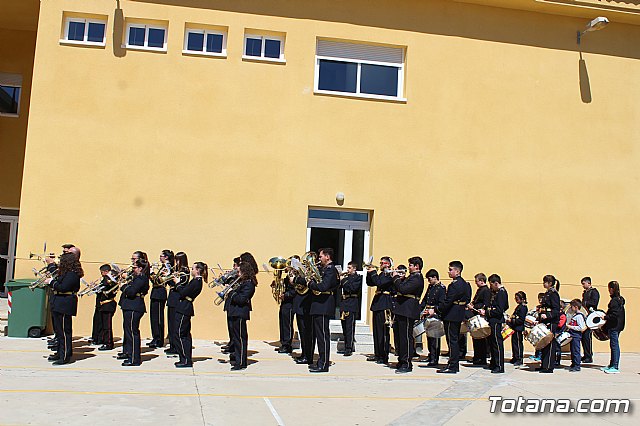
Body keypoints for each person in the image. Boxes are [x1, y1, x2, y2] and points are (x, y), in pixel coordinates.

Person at [429, 260, 472, 374]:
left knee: (452, 341)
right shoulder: (465, 284)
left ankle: (453, 365)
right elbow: (467, 299)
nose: (449, 272)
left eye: (451, 269)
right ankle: (453, 363)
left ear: (457, 271)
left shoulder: (454, 285)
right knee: (455, 340)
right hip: (458, 314)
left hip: (451, 315)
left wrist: (436, 310)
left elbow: (448, 301)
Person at [46, 252, 82, 365]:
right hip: (59, 302)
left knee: (64, 331)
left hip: (65, 303)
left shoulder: (72, 274)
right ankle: (60, 352)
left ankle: (65, 355)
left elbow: (63, 287)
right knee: (59, 331)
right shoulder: (66, 273)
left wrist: (52, 282)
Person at [308, 248, 339, 373]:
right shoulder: (325, 269)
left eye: (320, 256)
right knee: (320, 335)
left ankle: (324, 364)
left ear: (327, 256)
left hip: (324, 305)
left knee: (323, 336)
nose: (319, 258)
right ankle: (321, 361)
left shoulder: (331, 270)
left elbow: (323, 286)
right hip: (319, 305)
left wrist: (310, 284)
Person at [391, 257, 424, 373]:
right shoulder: (411, 277)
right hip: (402, 309)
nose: (408, 267)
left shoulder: (417, 278)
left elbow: (403, 289)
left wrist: (396, 277)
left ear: (417, 266)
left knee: (406, 337)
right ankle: (401, 360)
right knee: (400, 337)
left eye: (410, 265)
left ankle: (407, 363)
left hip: (408, 309)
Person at [119, 258, 150, 366]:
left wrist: (122, 286)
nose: (133, 269)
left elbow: (132, 292)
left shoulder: (141, 279)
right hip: (130, 306)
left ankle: (134, 358)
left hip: (134, 306)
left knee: (132, 333)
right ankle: (130, 354)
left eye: (135, 267)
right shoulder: (136, 278)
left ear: (140, 268)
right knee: (129, 332)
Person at [174, 262, 205, 368]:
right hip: (184, 307)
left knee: (180, 334)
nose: (191, 270)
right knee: (185, 334)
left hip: (185, 308)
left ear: (197, 270)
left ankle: (185, 359)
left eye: (193, 268)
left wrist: (177, 283)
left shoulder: (197, 282)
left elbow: (183, 293)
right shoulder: (195, 281)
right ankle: (185, 358)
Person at [227, 261, 256, 370]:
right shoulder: (242, 282)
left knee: (240, 338)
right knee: (235, 337)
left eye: (239, 272)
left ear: (245, 272)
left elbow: (241, 299)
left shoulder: (249, 284)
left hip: (240, 312)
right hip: (234, 311)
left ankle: (241, 362)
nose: (237, 274)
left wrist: (231, 292)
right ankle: (237, 358)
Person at [365, 256, 394, 365]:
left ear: (388, 264)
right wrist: (369, 272)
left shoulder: (389, 274)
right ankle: (377, 354)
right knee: (377, 332)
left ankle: (384, 355)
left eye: (382, 263)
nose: (380, 264)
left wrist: (373, 272)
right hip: (378, 303)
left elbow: (379, 283)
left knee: (383, 332)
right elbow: (371, 283)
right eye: (380, 262)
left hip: (385, 303)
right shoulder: (382, 274)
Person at [418, 269, 446, 367]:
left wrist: (434, 311)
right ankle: (431, 355)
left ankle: (435, 358)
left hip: (435, 314)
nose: (428, 281)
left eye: (430, 279)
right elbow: (425, 300)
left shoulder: (441, 288)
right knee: (429, 336)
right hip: (427, 313)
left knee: (435, 337)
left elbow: (442, 303)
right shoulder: (430, 287)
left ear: (435, 277)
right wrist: (420, 310)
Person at [482, 274, 508, 374]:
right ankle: (494, 363)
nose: (490, 287)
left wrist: (488, 312)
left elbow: (500, 309)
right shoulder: (497, 292)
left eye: (491, 284)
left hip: (497, 320)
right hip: (493, 320)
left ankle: (499, 365)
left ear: (496, 283)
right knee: (493, 343)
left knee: (497, 344)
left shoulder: (501, 293)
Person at [291, 258, 314, 365]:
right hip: (300, 306)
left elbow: (305, 283)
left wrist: (295, 279)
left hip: (306, 306)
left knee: (307, 333)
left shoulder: (309, 275)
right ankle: (304, 354)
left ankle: (308, 356)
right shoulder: (301, 275)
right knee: (302, 332)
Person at [165, 252, 189, 357]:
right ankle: (172, 345)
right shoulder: (177, 270)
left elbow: (182, 285)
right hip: (171, 298)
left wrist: (173, 279)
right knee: (170, 324)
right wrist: (168, 277)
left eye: (178, 260)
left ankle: (176, 346)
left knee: (175, 324)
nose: (176, 262)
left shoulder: (185, 271)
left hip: (177, 299)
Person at [149, 250, 174, 348]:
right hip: (155, 292)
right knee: (153, 317)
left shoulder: (167, 267)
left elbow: (159, 281)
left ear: (166, 257)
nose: (160, 258)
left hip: (160, 293)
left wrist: (151, 273)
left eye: (161, 256)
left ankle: (159, 339)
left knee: (158, 318)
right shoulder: (163, 267)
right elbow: (155, 280)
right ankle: (155, 337)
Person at [537, 275, 561, 373]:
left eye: (545, 282)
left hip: (551, 322)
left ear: (550, 283)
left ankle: (549, 367)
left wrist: (547, 315)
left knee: (550, 344)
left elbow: (556, 310)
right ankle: (544, 364)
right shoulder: (548, 293)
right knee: (544, 344)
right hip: (545, 321)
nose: (543, 284)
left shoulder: (554, 294)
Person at [468, 273, 491, 366]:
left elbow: (485, 304)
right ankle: (477, 357)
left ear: (482, 281)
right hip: (475, 315)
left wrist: (474, 307)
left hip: (480, 317)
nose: (476, 283)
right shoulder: (480, 290)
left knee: (481, 338)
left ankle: (481, 358)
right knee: (476, 338)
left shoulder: (486, 290)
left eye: (477, 281)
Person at [339, 261, 362, 357]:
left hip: (352, 303)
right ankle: (346, 345)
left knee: (349, 327)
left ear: (354, 269)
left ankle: (349, 347)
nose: (347, 270)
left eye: (349, 268)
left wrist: (343, 280)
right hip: (344, 303)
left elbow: (352, 288)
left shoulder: (358, 278)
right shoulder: (346, 278)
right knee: (344, 326)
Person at [602, 281, 625, 374]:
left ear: (611, 289)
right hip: (618, 326)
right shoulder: (619, 299)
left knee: (614, 346)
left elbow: (614, 315)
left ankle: (615, 366)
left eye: (609, 289)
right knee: (613, 345)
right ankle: (612, 364)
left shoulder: (615, 301)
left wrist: (605, 317)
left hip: (614, 326)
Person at [275, 263, 297, 355]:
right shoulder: (287, 278)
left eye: (288, 266)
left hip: (290, 303)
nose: (286, 268)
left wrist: (285, 295)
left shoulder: (295, 277)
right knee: (282, 322)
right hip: (285, 303)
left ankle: (287, 345)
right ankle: (283, 343)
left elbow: (295, 291)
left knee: (287, 323)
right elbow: (283, 286)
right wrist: (276, 284)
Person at [221, 257, 241, 356]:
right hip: (229, 302)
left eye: (235, 265)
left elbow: (236, 289)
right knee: (230, 325)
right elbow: (225, 283)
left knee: (234, 328)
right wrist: (225, 277)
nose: (233, 267)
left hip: (235, 303)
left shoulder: (241, 278)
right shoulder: (234, 276)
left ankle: (234, 347)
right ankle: (231, 343)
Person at [97, 264, 118, 351]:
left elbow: (112, 289)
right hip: (104, 304)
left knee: (107, 326)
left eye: (102, 272)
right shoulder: (105, 280)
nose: (101, 274)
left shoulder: (111, 281)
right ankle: (104, 340)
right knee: (104, 325)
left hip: (108, 304)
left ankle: (108, 343)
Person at [580, 276, 599, 364]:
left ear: (589, 283)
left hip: (590, 316)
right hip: (585, 316)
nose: (583, 286)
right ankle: (586, 354)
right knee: (583, 337)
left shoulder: (594, 292)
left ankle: (589, 356)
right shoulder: (585, 292)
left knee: (587, 336)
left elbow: (594, 302)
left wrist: (584, 303)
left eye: (584, 284)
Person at [565, 299, 587, 372]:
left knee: (576, 350)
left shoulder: (579, 316)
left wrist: (571, 327)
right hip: (572, 335)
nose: (571, 309)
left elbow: (581, 327)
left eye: (572, 307)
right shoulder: (575, 315)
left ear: (576, 307)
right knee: (573, 350)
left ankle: (577, 365)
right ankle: (573, 363)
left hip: (576, 335)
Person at [507, 291, 527, 366]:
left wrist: (512, 320)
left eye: (517, 298)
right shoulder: (519, 306)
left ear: (522, 299)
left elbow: (521, 319)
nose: (516, 300)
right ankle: (515, 356)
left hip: (519, 328)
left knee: (518, 344)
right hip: (514, 327)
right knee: (514, 343)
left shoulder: (523, 307)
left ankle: (519, 358)